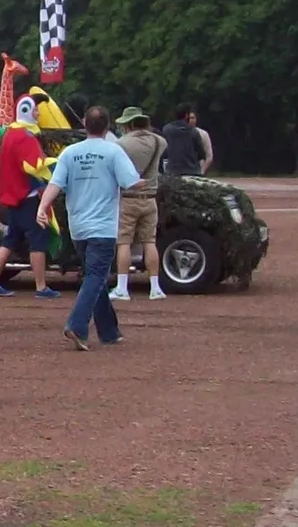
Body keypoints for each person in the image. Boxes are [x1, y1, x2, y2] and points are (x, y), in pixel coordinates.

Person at [41, 106, 142, 351]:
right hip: (103, 226)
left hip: (79, 227)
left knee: (92, 277)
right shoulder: (113, 152)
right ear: (108, 126)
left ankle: (109, 331)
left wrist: (42, 207)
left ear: (85, 124)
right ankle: (77, 325)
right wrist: (148, 182)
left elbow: (55, 183)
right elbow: (131, 183)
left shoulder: (70, 153)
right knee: (96, 277)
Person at [0, 114, 56, 298]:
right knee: (37, 240)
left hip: (13, 197)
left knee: (11, 239)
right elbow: (34, 165)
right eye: (36, 111)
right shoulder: (25, 137)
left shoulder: (10, 134)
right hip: (27, 197)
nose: (39, 114)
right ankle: (41, 287)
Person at [112, 107, 168, 299]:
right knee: (150, 242)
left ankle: (122, 287)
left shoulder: (121, 144)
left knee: (124, 242)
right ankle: (155, 287)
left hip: (128, 199)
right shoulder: (159, 142)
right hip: (150, 199)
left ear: (129, 124)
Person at [160, 105, 212, 177]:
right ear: (186, 116)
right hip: (192, 171)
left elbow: (164, 151)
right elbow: (201, 153)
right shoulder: (193, 131)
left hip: (172, 170)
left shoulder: (166, 129)